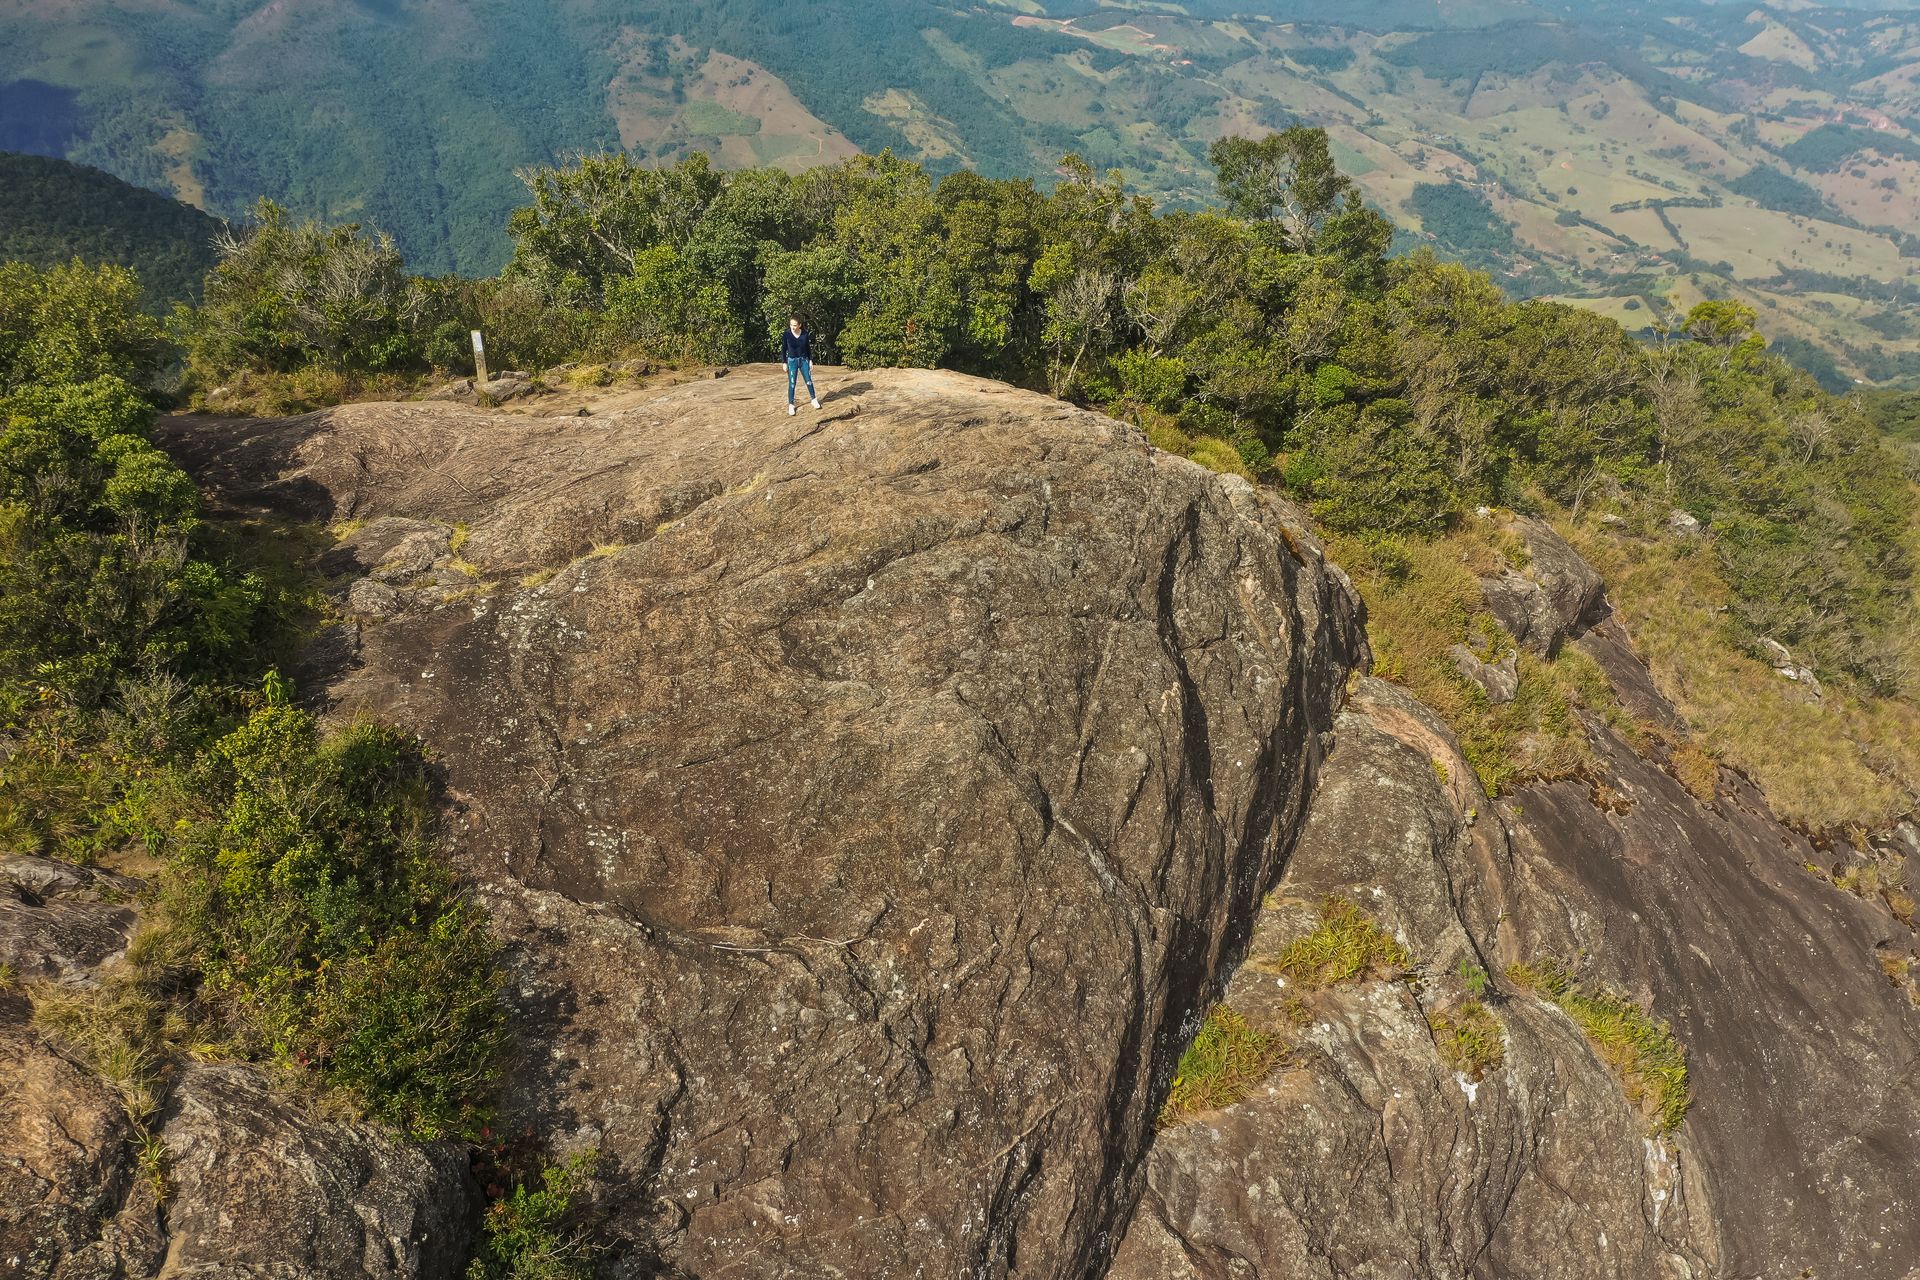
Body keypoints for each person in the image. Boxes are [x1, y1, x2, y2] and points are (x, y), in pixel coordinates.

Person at [781, 315, 819, 415]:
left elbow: (808, 348)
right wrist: (784, 362)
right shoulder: (787, 334)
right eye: (791, 325)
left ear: (800, 325)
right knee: (792, 383)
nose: (792, 327)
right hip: (791, 361)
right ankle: (791, 404)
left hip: (803, 360)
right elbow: (783, 349)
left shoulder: (805, 334)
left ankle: (813, 399)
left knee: (809, 381)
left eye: (794, 325)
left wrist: (810, 360)